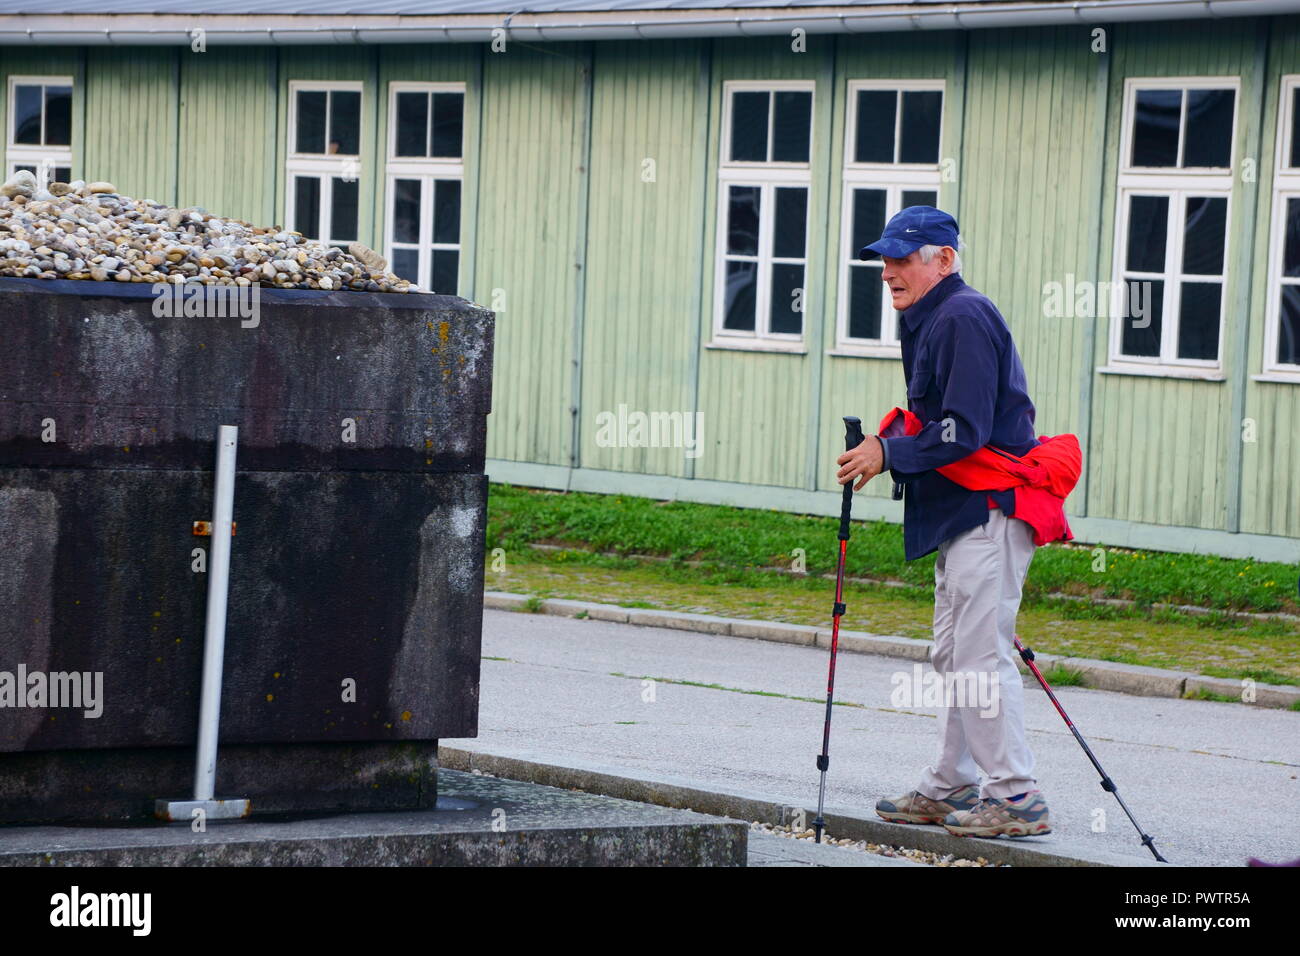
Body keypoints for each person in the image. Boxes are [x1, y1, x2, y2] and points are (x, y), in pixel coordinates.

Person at [835, 205, 1052, 839]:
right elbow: (943, 425)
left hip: (990, 510)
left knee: (980, 659)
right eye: (884, 259)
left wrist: (889, 452)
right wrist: (892, 443)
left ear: (944, 260)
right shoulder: (929, 318)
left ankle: (1016, 797)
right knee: (954, 655)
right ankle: (950, 784)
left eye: (903, 258)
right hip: (961, 514)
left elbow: (964, 429)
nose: (888, 271)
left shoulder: (962, 315)